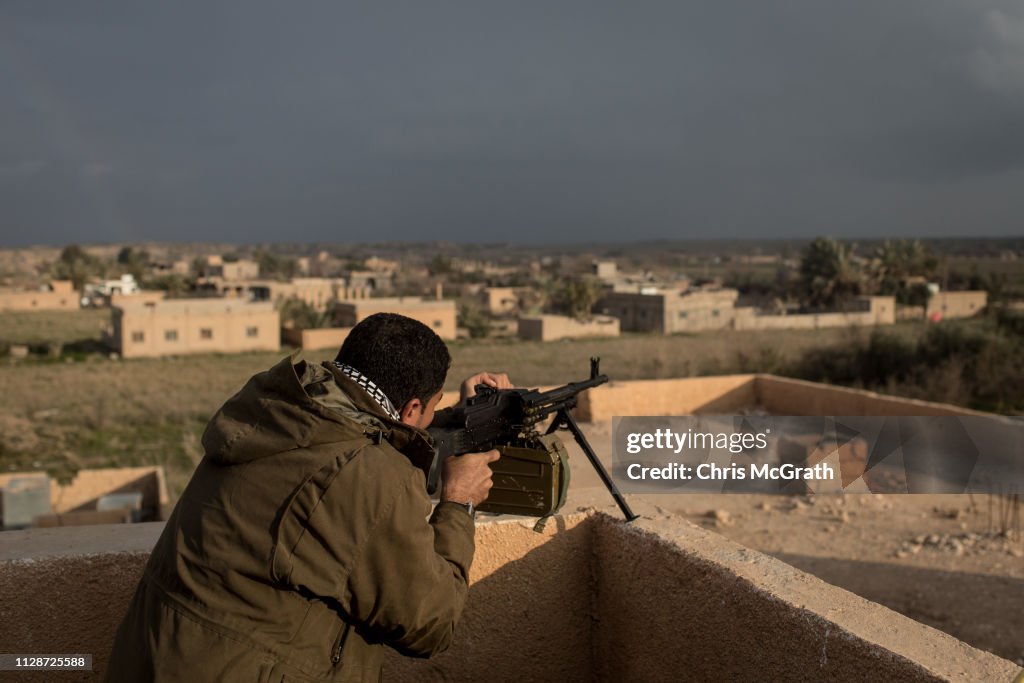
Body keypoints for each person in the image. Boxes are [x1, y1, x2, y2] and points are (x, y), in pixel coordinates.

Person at [106, 313, 509, 682]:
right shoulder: (367, 477)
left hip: (153, 660)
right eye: (431, 408)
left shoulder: (277, 411)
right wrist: (459, 503)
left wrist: (459, 415)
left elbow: (374, 426)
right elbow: (431, 624)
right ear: (411, 408)